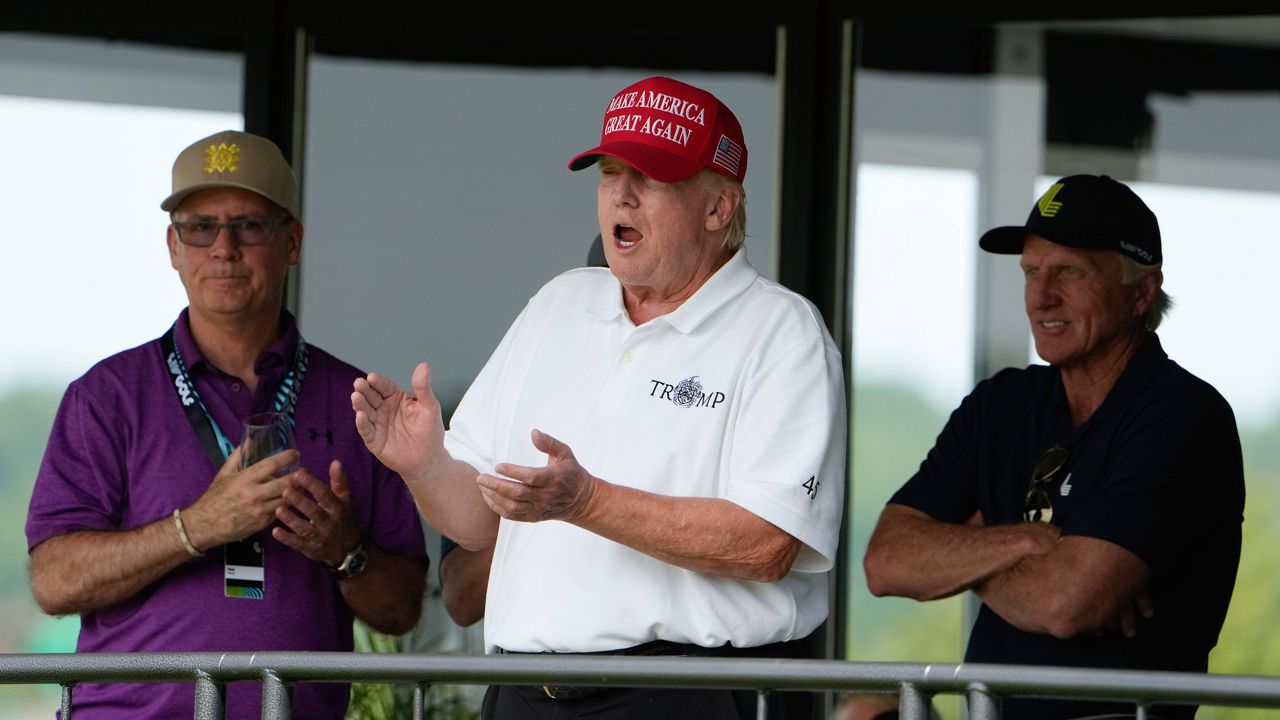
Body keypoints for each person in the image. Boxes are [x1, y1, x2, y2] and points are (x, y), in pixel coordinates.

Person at [352, 76, 846, 720]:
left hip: (687, 695)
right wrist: (424, 466)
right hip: (525, 691)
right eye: (610, 172)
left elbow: (766, 544)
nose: (623, 194)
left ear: (719, 208)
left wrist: (586, 501)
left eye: (653, 176)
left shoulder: (782, 332)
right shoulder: (559, 302)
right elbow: (478, 522)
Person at [25, 130, 429, 719]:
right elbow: (53, 581)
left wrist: (346, 551)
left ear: (291, 241)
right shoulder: (106, 396)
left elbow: (403, 609)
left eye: (249, 225)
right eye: (199, 226)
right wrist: (195, 527)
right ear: (172, 245)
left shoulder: (358, 400)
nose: (223, 247)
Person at [862, 175, 1245, 720]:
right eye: (1030, 272)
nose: (1041, 297)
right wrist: (1036, 540)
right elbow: (886, 561)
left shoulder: (1182, 414)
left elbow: (1067, 604)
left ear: (1142, 290)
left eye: (1069, 271)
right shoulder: (1001, 403)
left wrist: (967, 548)